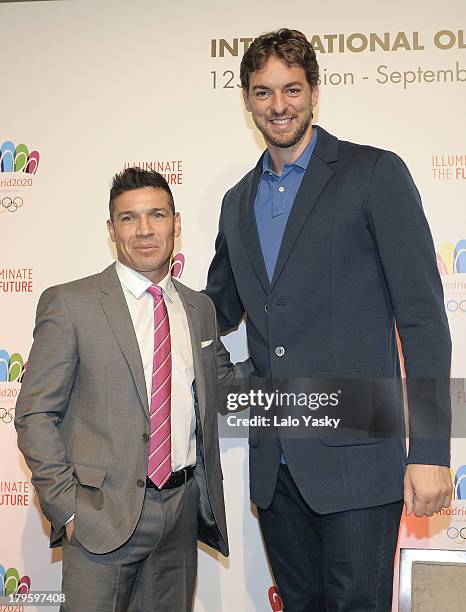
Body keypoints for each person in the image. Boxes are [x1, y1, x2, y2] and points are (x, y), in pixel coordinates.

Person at [206, 28, 453, 611]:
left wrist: (432, 450)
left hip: (359, 462)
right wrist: (139, 293)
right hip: (275, 471)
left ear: (314, 90)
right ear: (246, 100)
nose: (279, 105)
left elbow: (422, 320)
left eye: (291, 89)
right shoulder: (236, 202)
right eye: (264, 93)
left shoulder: (374, 174)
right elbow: (211, 310)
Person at [15, 167, 243, 612]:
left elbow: (226, 384)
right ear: (110, 229)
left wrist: (296, 356)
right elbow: (34, 414)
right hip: (100, 519)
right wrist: (69, 508)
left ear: (175, 224)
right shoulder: (71, 303)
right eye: (128, 218)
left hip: (179, 517)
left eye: (156, 215)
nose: (143, 230)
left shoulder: (198, 308)